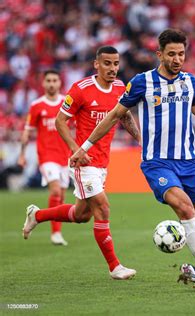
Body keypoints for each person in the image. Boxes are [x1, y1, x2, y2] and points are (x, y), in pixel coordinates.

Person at [69, 29, 195, 277]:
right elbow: (115, 116)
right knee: (185, 208)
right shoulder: (142, 82)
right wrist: (84, 148)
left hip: (189, 162)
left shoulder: (191, 83)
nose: (177, 59)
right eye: (172, 54)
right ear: (159, 54)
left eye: (181, 54)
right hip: (157, 162)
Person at [22, 46, 141, 280]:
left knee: (81, 214)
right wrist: (77, 150)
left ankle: (37, 215)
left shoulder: (120, 88)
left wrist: (140, 139)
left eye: (116, 64)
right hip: (83, 162)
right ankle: (115, 267)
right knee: (103, 208)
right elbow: (60, 121)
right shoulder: (81, 89)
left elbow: (124, 115)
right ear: (96, 64)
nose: (112, 68)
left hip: (103, 162)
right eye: (107, 63)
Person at [18, 69, 69, 246]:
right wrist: (22, 154)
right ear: (43, 83)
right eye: (48, 80)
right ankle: (55, 233)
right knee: (55, 191)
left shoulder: (66, 103)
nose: (51, 83)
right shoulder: (37, 105)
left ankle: (55, 231)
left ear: (60, 83)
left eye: (55, 80)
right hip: (47, 155)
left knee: (61, 195)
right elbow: (27, 131)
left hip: (65, 156)